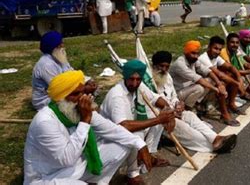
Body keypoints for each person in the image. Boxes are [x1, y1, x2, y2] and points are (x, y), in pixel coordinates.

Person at [24, 70, 154, 185]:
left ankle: (98, 181)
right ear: (61, 98)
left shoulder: (75, 108)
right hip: (47, 177)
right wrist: (85, 121)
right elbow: (67, 159)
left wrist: (141, 144)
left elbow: (111, 129)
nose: (82, 98)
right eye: (76, 94)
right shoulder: (45, 122)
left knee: (125, 144)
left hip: (75, 166)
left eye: (82, 93)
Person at [100, 60, 175, 184]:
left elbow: (155, 98)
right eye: (131, 79)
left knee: (159, 112)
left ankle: (148, 155)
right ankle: (132, 173)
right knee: (137, 134)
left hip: (127, 128)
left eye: (138, 79)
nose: (134, 83)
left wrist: (168, 112)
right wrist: (158, 120)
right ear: (125, 77)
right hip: (108, 139)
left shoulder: (138, 86)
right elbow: (123, 126)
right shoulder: (117, 95)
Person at [152, 51, 237, 153]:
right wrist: (171, 111)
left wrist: (179, 104)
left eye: (167, 67)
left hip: (175, 110)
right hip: (162, 117)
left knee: (191, 116)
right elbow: (156, 102)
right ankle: (213, 147)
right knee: (187, 131)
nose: (164, 69)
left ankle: (216, 138)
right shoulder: (150, 81)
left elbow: (173, 95)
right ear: (154, 65)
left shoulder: (167, 76)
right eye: (161, 66)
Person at [32, 31, 97, 110]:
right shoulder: (46, 65)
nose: (63, 46)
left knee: (87, 92)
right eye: (60, 45)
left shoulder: (59, 57)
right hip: (47, 99)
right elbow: (59, 88)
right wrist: (84, 89)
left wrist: (88, 81)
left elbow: (72, 73)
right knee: (81, 100)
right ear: (53, 47)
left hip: (64, 91)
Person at [198, 36, 250, 119]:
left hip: (212, 84)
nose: (218, 51)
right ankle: (224, 113)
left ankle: (231, 104)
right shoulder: (203, 58)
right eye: (215, 48)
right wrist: (237, 84)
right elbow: (219, 75)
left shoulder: (216, 57)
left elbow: (231, 67)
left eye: (220, 49)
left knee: (232, 75)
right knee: (223, 82)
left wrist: (239, 79)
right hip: (203, 87)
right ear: (209, 47)